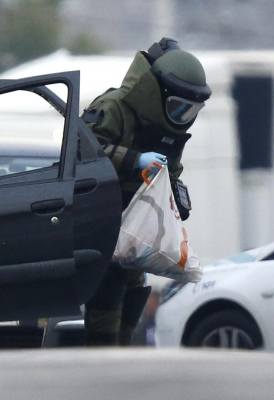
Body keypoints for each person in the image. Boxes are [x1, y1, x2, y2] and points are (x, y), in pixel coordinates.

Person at [82, 37, 211, 346]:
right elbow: (84, 151)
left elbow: (171, 169)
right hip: (105, 218)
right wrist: (133, 160)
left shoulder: (168, 131)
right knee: (107, 293)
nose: (181, 116)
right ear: (156, 93)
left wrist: (176, 195)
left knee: (133, 292)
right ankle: (100, 365)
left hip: (138, 230)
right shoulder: (113, 108)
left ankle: (122, 359)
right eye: (177, 107)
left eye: (189, 110)